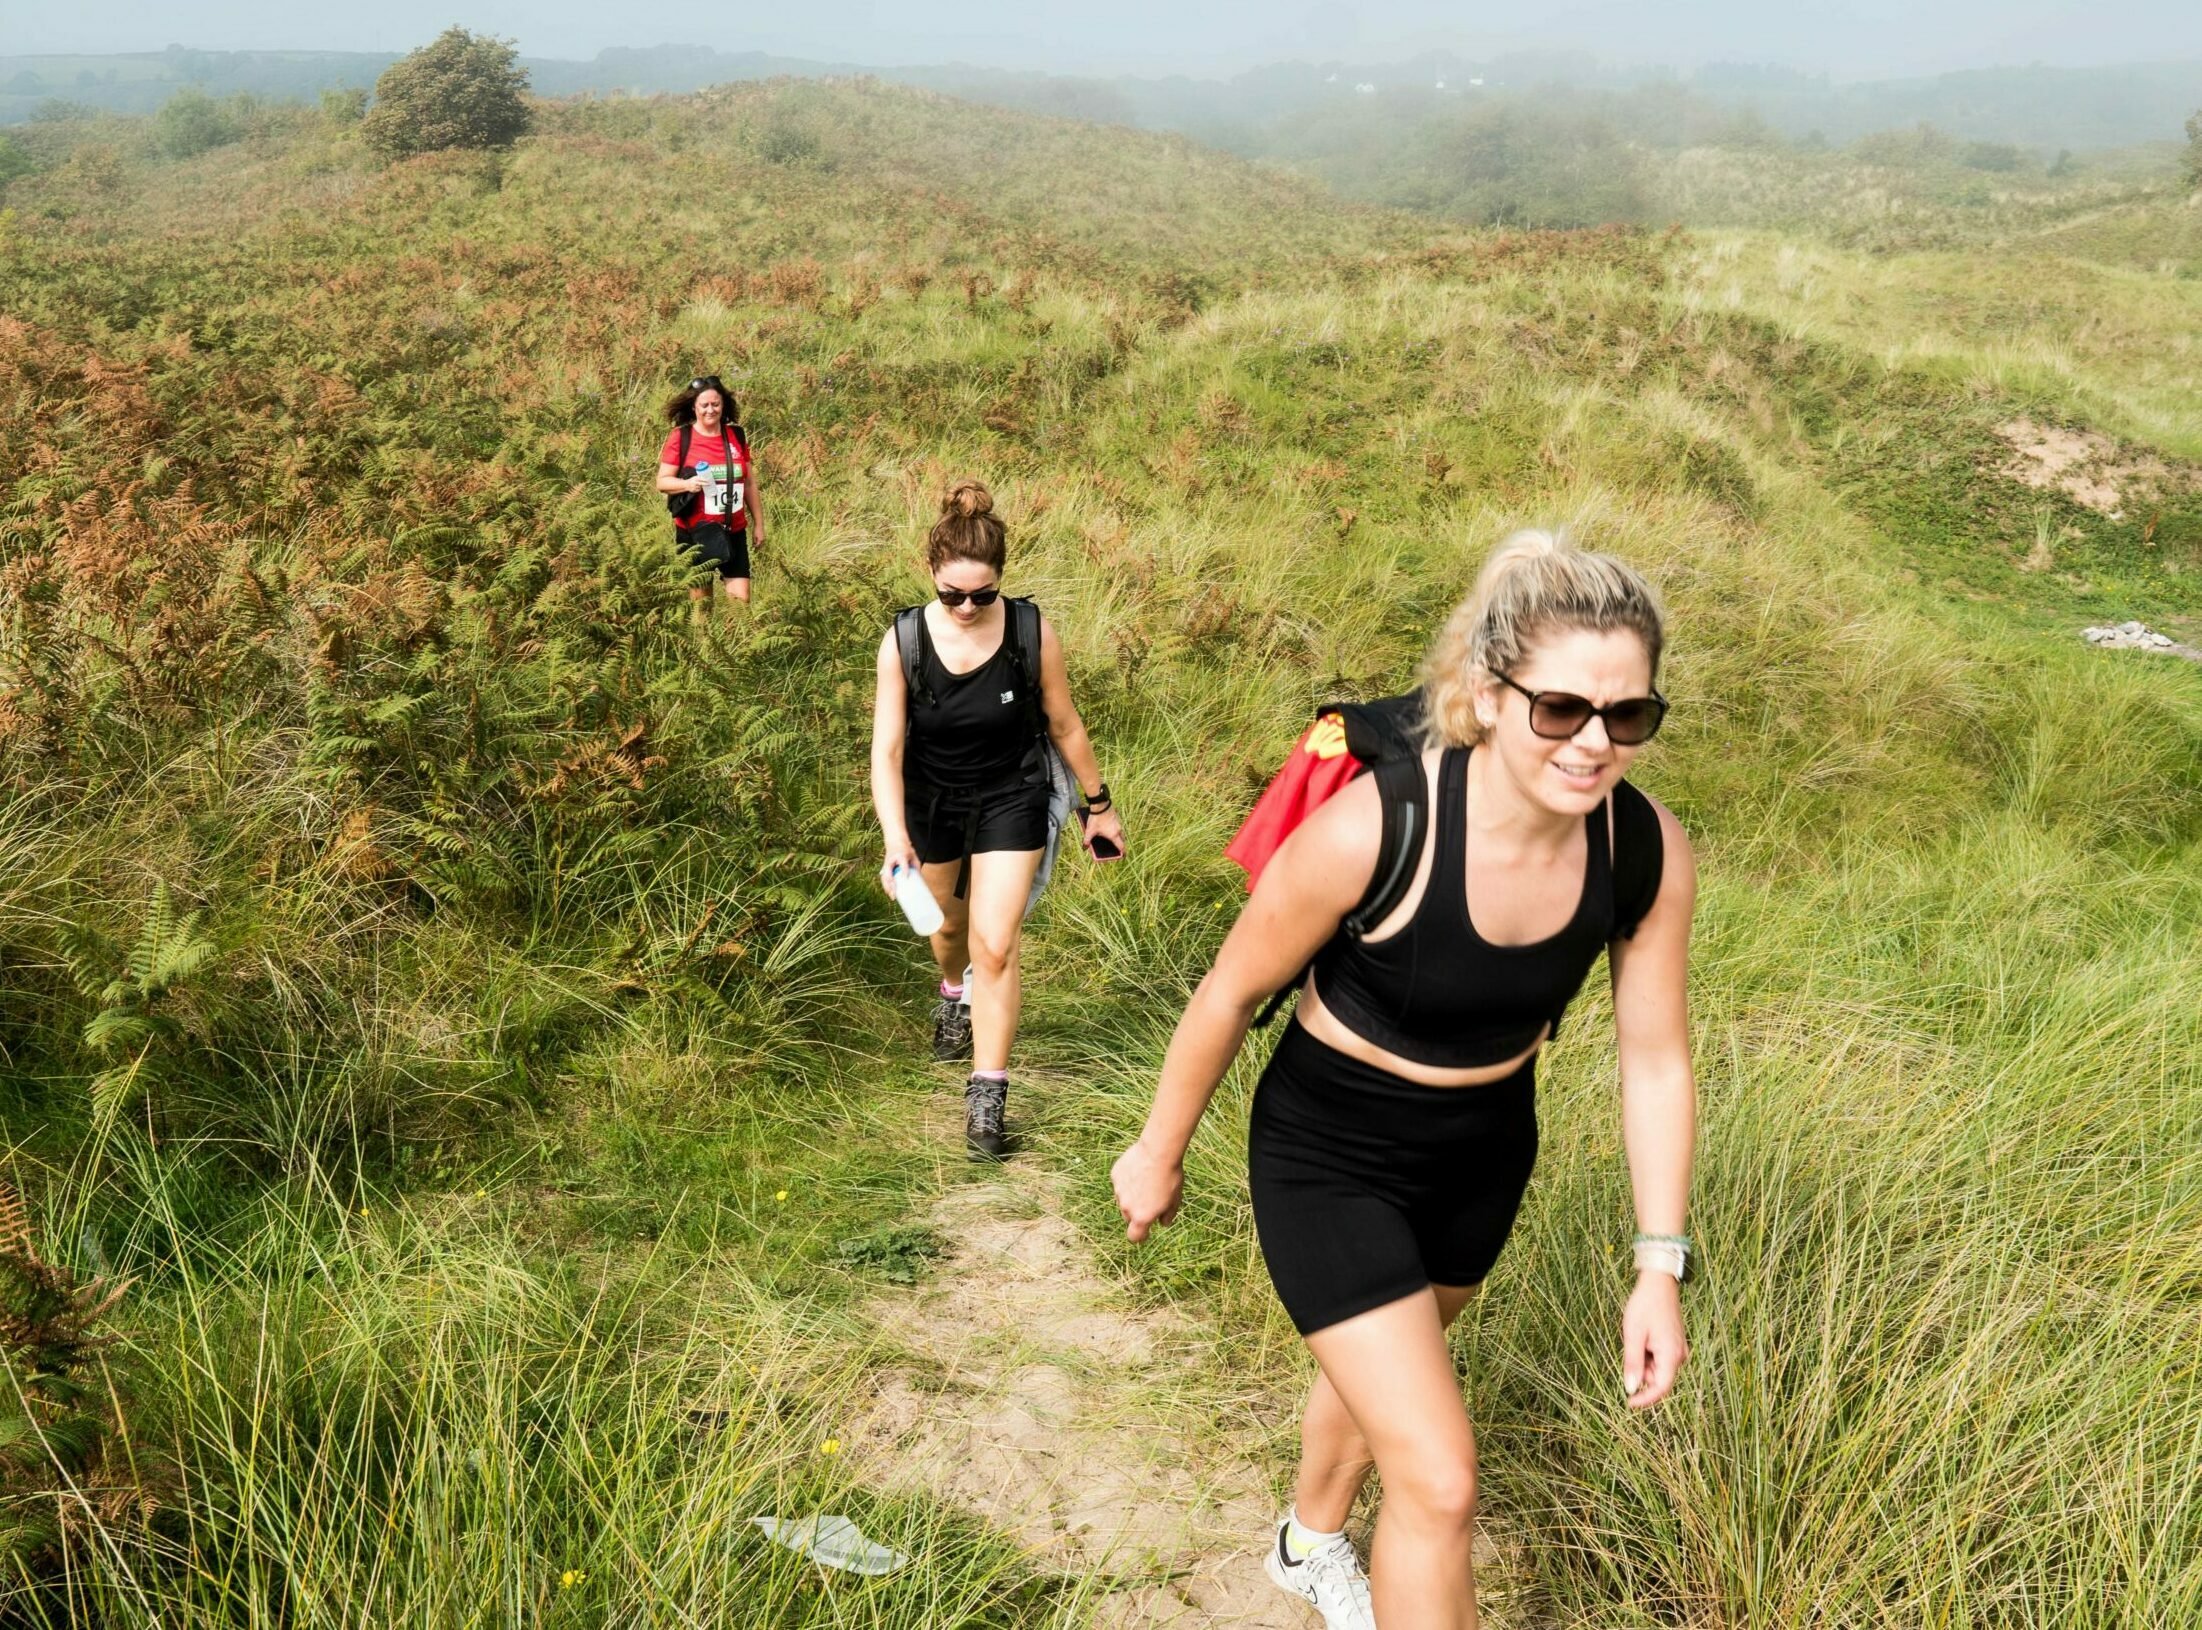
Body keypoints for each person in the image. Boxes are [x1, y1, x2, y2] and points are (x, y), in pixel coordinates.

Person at [1111, 531, 1699, 1630]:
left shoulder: (1644, 852)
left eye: (1630, 716)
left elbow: (1655, 1058)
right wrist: (1157, 1148)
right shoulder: (1379, 826)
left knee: (1381, 1375)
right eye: (1562, 709)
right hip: (1330, 1152)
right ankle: (1333, 1551)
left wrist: (1656, 1266)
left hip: (1482, 1153)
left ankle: (1306, 1541)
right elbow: (1231, 994)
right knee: (1438, 1477)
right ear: (1488, 692)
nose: (1596, 743)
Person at [869, 480, 1126, 1160]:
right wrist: (896, 838)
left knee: (996, 943)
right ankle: (951, 992)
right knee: (950, 931)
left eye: (982, 594)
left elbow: (1066, 723)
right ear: (931, 573)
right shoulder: (903, 642)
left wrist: (1099, 806)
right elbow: (888, 750)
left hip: (1014, 794)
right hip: (932, 803)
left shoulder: (1031, 631)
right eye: (953, 593)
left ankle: (988, 1093)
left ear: (1000, 582)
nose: (966, 606)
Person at [655, 374, 762, 608]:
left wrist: (759, 525)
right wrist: (686, 484)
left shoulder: (736, 436)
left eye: (716, 404)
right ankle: (704, 644)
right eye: (704, 405)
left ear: (723, 405)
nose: (710, 410)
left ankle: (737, 643)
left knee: (741, 604)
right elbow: (662, 482)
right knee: (702, 608)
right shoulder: (681, 437)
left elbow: (750, 484)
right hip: (696, 533)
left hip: (734, 530)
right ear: (694, 407)